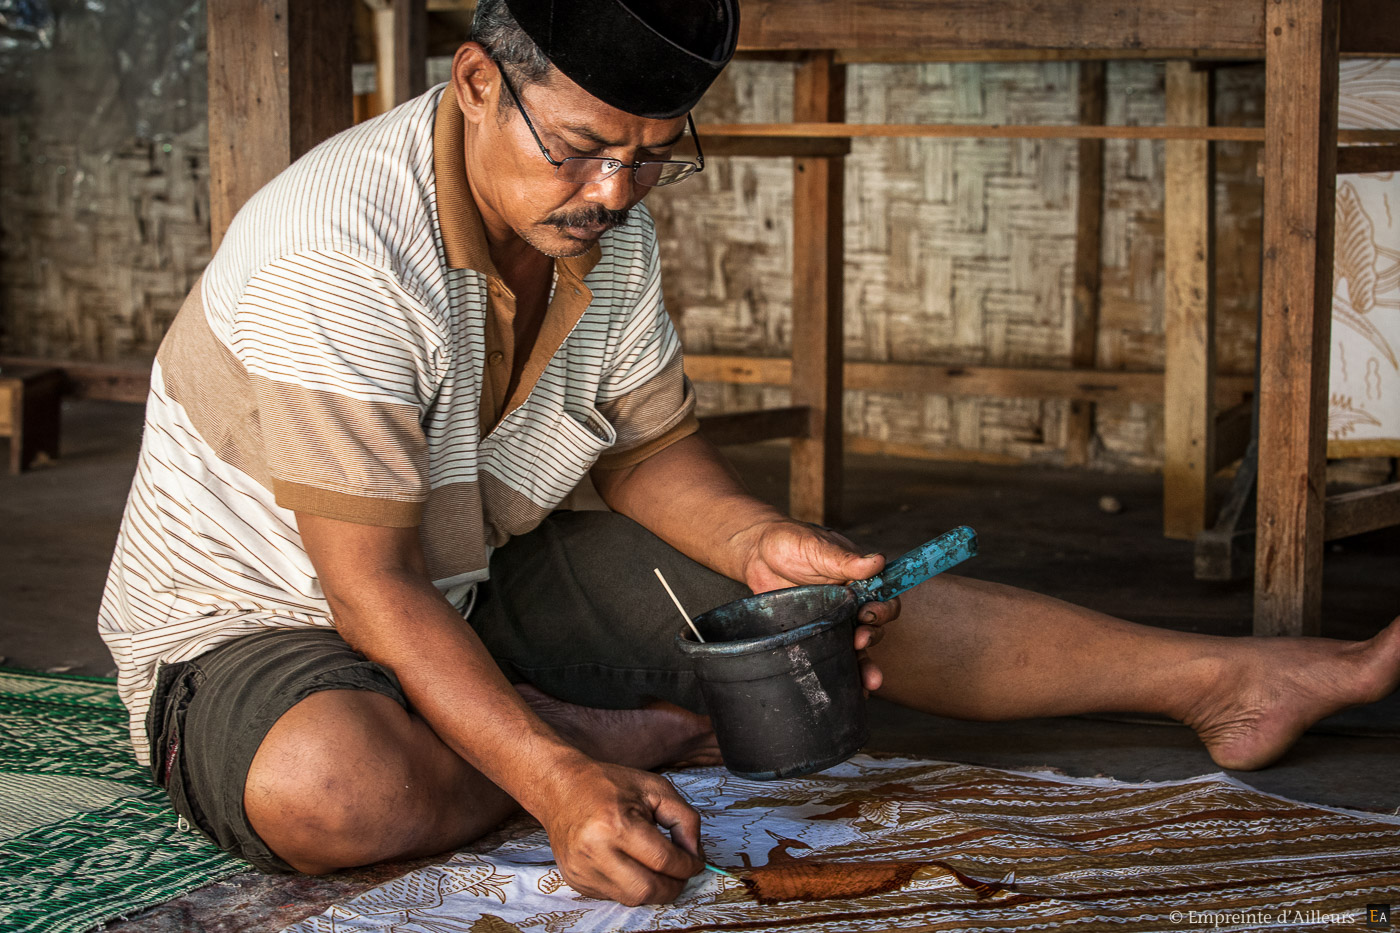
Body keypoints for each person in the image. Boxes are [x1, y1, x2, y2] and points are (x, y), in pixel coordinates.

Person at [98, 0, 1400, 909]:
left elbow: (653, 459)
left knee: (819, 614)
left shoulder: (598, 227)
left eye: (652, 160)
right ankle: (577, 730)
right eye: (583, 148)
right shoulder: (340, 244)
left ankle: (1224, 679)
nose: (612, 193)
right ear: (478, 80)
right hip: (257, 624)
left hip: (473, 583)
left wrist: (759, 547)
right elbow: (365, 590)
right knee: (337, 787)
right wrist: (560, 784)